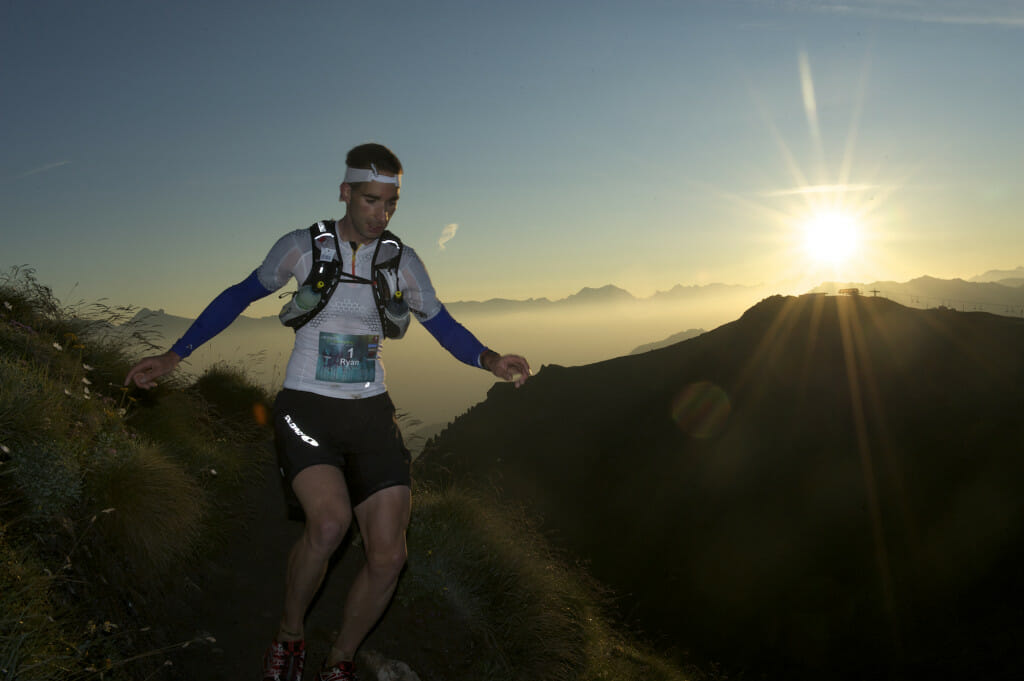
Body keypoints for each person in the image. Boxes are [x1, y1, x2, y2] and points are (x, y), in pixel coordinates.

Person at [125, 143, 531, 681]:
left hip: (370, 413)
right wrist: (175, 354)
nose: (380, 214)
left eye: (391, 203)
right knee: (331, 522)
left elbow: (442, 323)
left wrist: (489, 359)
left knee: (389, 556)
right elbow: (237, 295)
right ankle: (289, 636)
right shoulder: (300, 247)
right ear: (345, 192)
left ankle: (338, 660)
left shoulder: (401, 261)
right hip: (306, 408)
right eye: (369, 200)